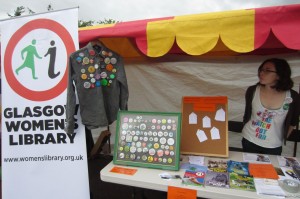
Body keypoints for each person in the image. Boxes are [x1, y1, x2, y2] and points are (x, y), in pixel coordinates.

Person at [241, 58, 300, 155]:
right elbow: (247, 114)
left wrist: (280, 137)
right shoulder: (252, 90)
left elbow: (293, 121)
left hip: (273, 145)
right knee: (249, 168)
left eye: (267, 70)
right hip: (249, 139)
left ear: (279, 75)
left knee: (270, 170)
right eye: (261, 69)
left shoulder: (293, 96)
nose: (261, 73)